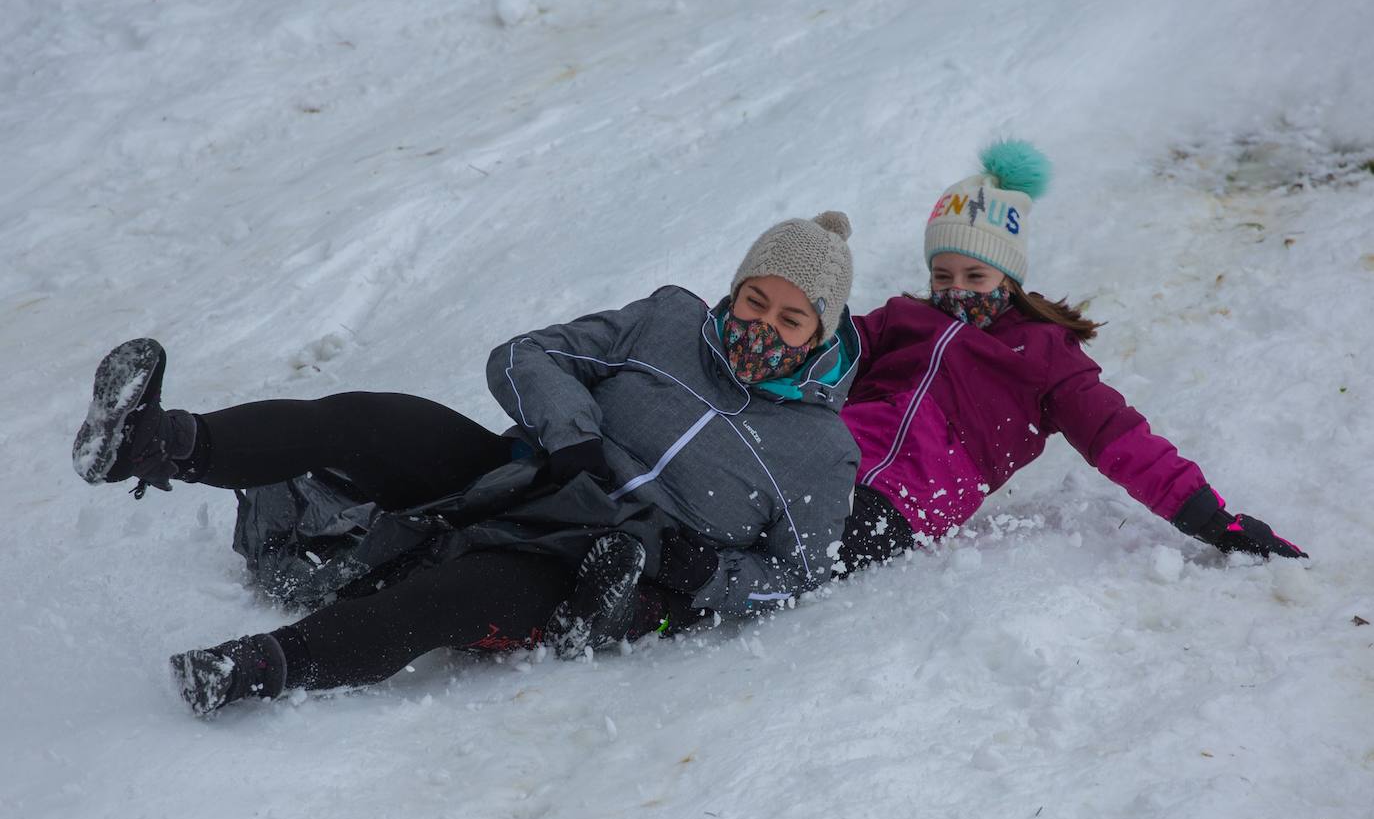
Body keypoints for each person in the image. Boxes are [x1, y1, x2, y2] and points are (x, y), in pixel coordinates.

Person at [71, 212, 863, 714]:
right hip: (533, 472)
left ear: (820, 335)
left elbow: (800, 574)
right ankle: (156, 442)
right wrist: (574, 440)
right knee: (366, 420)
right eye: (755, 301)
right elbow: (526, 356)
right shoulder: (666, 322)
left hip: (599, 565)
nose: (762, 326)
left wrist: (700, 573)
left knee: (448, 596)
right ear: (734, 288)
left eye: (790, 319)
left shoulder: (821, 454)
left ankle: (257, 669)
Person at [832, 140, 1306, 575]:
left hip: (902, 503)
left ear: (1008, 276)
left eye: (975, 276)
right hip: (827, 458)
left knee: (798, 551)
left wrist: (1214, 522)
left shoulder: (1043, 355)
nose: (956, 290)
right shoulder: (903, 318)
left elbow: (1120, 438)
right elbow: (821, 350)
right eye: (942, 275)